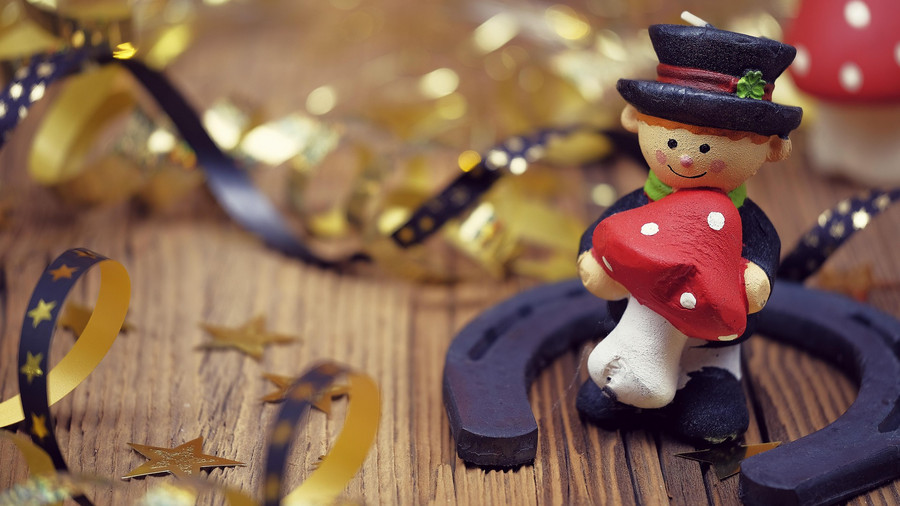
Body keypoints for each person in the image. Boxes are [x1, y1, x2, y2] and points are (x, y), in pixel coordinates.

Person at [576, 22, 802, 445]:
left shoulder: (746, 221)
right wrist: (597, 262)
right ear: (634, 119)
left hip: (708, 345)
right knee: (604, 399)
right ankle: (624, 379)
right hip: (629, 325)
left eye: (708, 147)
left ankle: (706, 385)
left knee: (712, 416)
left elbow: (761, 254)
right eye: (673, 140)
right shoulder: (638, 204)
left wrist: (754, 279)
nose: (685, 159)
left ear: (773, 148)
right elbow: (602, 236)